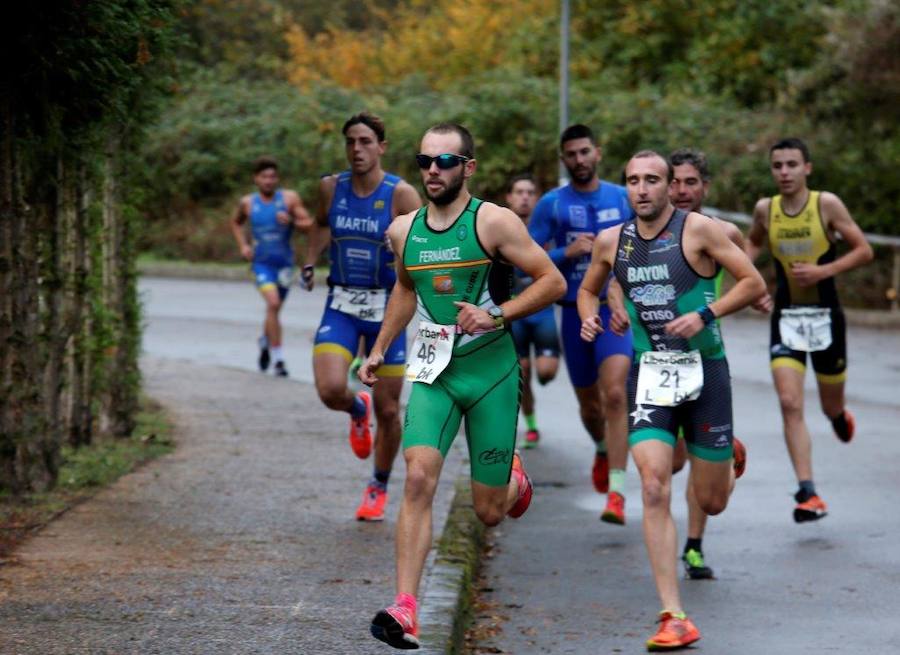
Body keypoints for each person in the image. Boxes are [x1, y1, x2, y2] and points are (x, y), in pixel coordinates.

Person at [359, 123, 565, 649]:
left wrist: (498, 314)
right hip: (434, 375)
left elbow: (552, 282)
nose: (433, 170)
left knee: (490, 512)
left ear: (467, 168)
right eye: (425, 160)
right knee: (419, 475)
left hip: (492, 372)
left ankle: (513, 479)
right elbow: (406, 290)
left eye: (445, 161)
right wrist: (381, 348)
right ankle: (406, 607)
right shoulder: (404, 230)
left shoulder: (494, 222)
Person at [579, 150, 764, 651]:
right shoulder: (610, 241)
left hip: (707, 373)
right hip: (651, 374)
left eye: (652, 180)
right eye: (633, 180)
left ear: (668, 187)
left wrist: (706, 315)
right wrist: (588, 315)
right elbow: (589, 288)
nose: (642, 189)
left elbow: (753, 282)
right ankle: (673, 615)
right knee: (655, 486)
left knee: (712, 501)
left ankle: (725, 458)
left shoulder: (701, 231)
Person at [747, 137, 873, 523]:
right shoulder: (766, 210)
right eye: (777, 166)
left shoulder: (826, 204)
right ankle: (808, 492)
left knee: (828, 404)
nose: (784, 172)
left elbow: (863, 250)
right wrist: (746, 280)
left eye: (791, 164)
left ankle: (838, 416)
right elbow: (751, 245)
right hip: (786, 315)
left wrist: (823, 271)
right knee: (789, 403)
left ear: (807, 168)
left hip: (826, 315)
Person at [303, 112, 421, 521]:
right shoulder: (330, 187)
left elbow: (423, 242)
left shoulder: (400, 194)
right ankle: (356, 410)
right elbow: (320, 225)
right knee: (331, 388)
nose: (357, 149)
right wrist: (309, 261)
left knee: (389, 411)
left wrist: (405, 252)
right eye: (351, 141)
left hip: (387, 312)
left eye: (366, 141)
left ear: (381, 147)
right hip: (341, 303)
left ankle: (378, 485)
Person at [528, 124, 633, 524]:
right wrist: (565, 253)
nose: (579, 160)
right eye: (571, 154)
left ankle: (619, 493)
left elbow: (642, 248)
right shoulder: (552, 205)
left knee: (615, 395)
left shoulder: (622, 198)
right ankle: (603, 448)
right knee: (590, 407)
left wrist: (622, 292)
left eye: (585, 152)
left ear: (598, 153)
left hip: (612, 309)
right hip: (574, 312)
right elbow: (529, 259)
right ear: (563, 159)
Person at [668, 148, 748, 580]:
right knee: (674, 461)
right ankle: (723, 452)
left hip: (706, 361)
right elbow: (613, 280)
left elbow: (747, 281)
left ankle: (694, 547)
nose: (682, 191)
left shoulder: (724, 232)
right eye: (675, 181)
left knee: (701, 474)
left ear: (705, 187)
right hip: (660, 364)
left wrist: (713, 311)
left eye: (691, 182)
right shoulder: (645, 234)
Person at [229, 156, 311, 377]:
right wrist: (243, 245)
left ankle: (265, 340)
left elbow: (309, 224)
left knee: (274, 309)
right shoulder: (248, 203)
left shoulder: (289, 199)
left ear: (277, 179)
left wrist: (292, 221)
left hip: (285, 265)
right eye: (264, 176)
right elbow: (236, 223)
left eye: (272, 176)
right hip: (261, 264)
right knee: (273, 304)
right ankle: (279, 360)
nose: (269, 181)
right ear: (256, 179)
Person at [506, 174, 560, 447]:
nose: (525, 197)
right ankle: (531, 425)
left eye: (530, 192)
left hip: (543, 313)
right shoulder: (502, 228)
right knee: (520, 375)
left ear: (537, 199)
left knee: (547, 372)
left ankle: (542, 370)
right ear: (510, 197)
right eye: (519, 191)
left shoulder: (547, 229)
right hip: (516, 313)